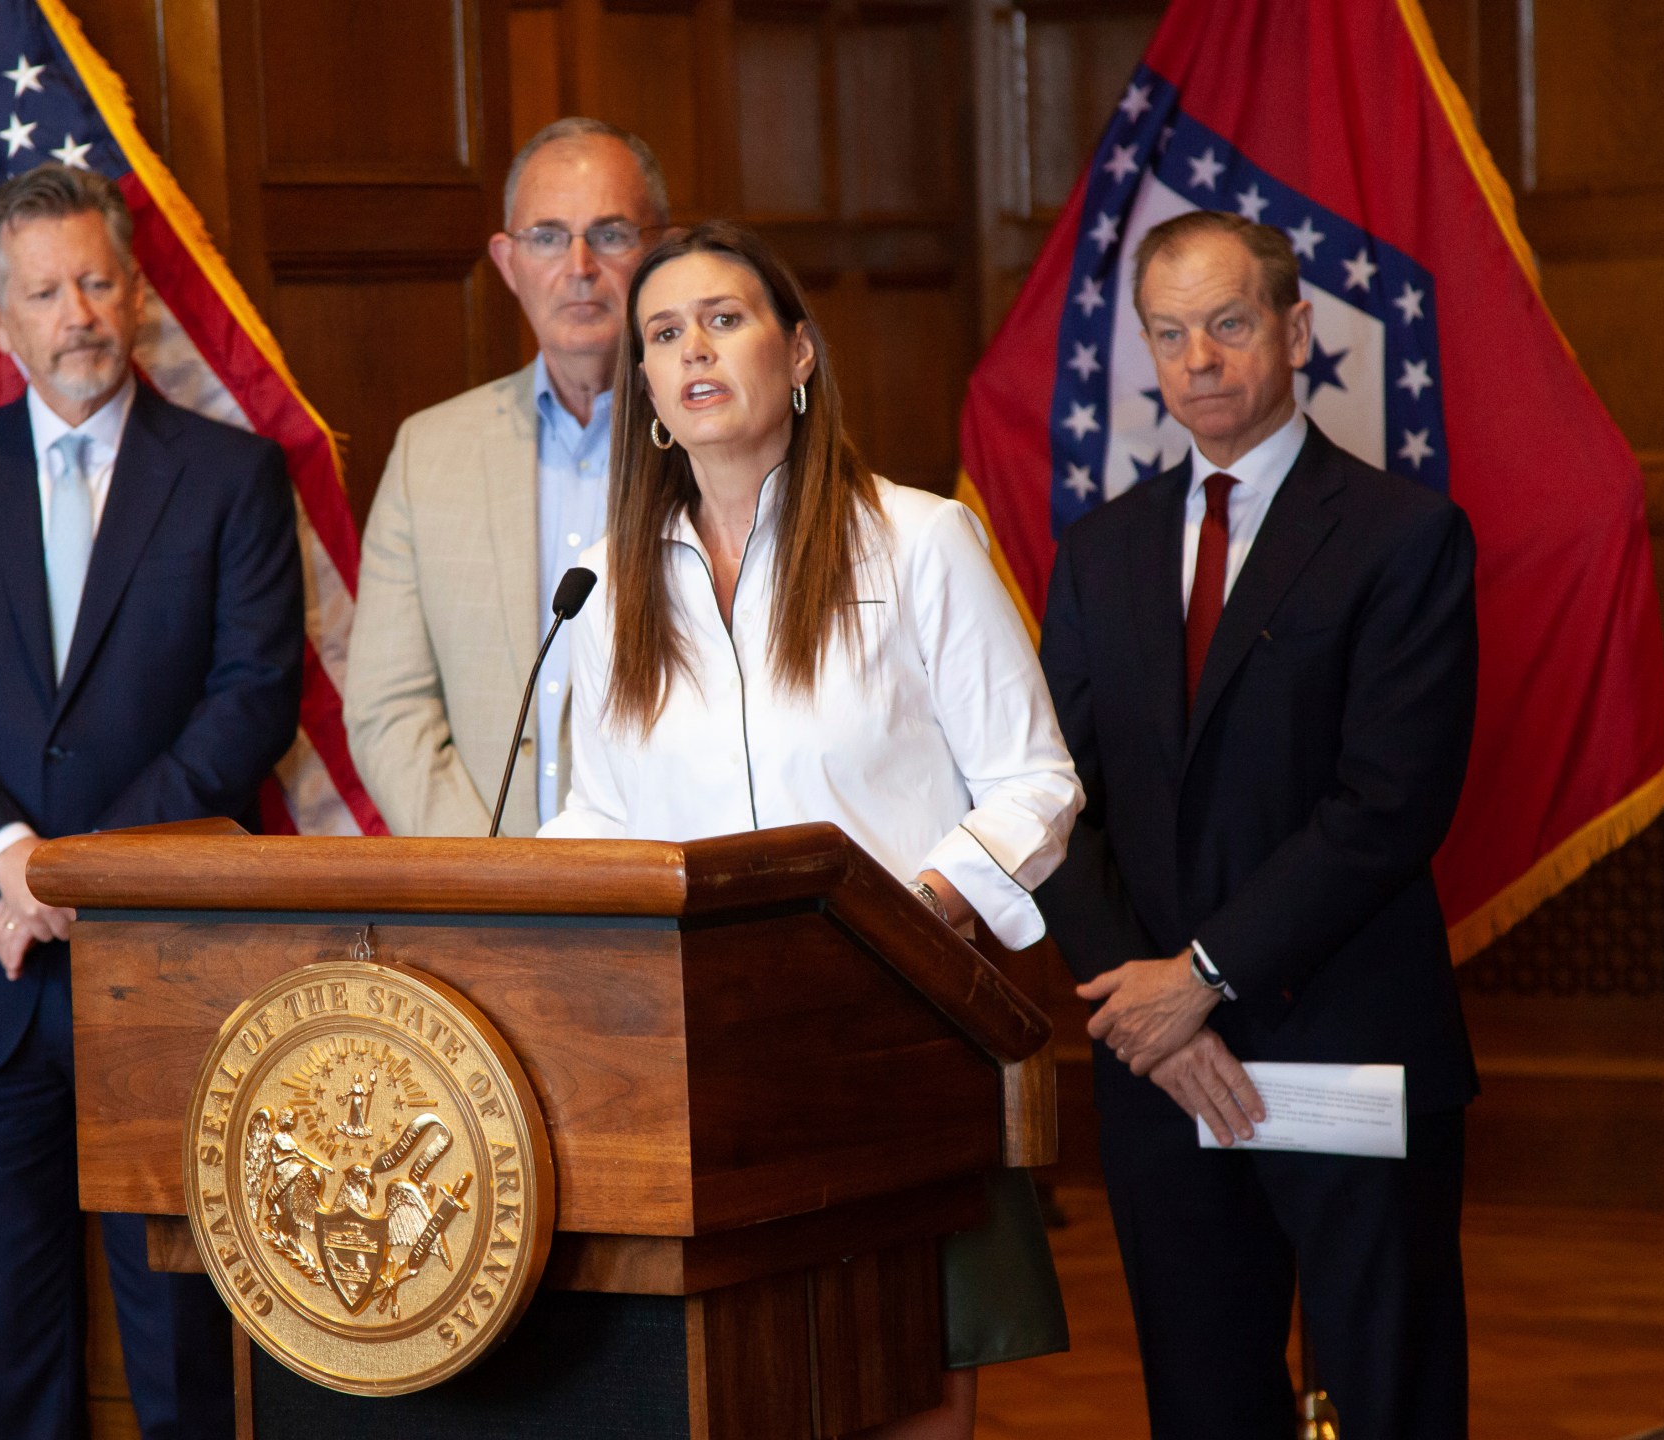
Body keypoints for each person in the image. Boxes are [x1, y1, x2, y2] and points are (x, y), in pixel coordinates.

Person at [539, 220, 1079, 1438]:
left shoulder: (919, 539)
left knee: (904, 1389)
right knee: (734, 1394)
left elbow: (1035, 783)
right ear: (649, 393)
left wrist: (909, 918)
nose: (694, 349)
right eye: (663, 333)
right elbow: (599, 816)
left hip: (889, 1034)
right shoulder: (605, 583)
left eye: (724, 319)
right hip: (692, 1062)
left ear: (798, 355)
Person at [0, 164, 305, 1440]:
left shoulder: (229, 474)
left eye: (99, 281)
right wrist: (12, 860)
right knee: (11, 1352)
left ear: (137, 292)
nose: (79, 314)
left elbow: (248, 704)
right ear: (0, 318)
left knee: (186, 1355)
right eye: (47, 291)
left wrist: (77, 877)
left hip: (168, 970)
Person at [1036, 210, 1479, 1440]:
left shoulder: (1403, 538)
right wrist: (1147, 1015)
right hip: (1158, 1070)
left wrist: (1205, 978)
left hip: (1343, 1041)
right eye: (1168, 336)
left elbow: (1386, 808)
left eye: (1228, 326)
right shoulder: (1098, 552)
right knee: (1203, 1404)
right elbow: (1048, 799)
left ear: (1293, 328)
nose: (1200, 363)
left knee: (1388, 1401)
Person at [346, 117, 668, 834]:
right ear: (507, 260)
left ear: (662, 253)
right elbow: (387, 706)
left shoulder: (711, 445)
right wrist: (489, 876)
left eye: (611, 234)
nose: (578, 265)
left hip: (664, 890)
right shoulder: (428, 453)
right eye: (547, 237)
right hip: (483, 895)